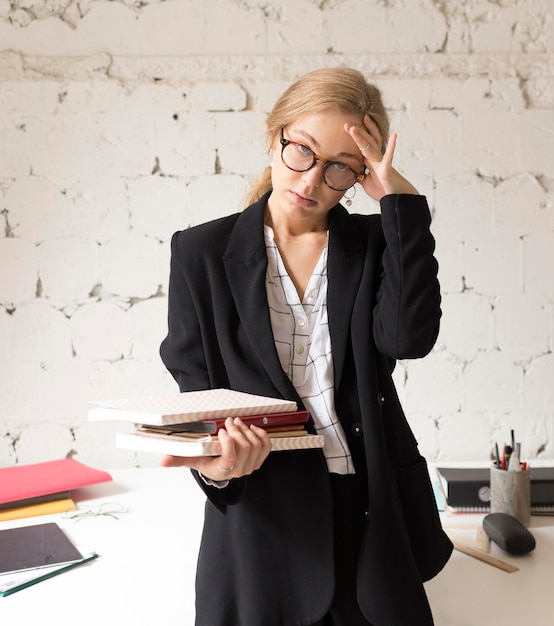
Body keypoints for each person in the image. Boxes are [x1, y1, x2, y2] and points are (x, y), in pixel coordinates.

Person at [159, 66, 452, 626]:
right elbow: (195, 387)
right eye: (302, 151)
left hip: (368, 518)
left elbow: (407, 339)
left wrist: (403, 207)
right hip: (265, 527)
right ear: (276, 137)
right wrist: (220, 467)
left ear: (361, 173)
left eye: (341, 167)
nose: (313, 180)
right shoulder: (200, 253)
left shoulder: (371, 245)